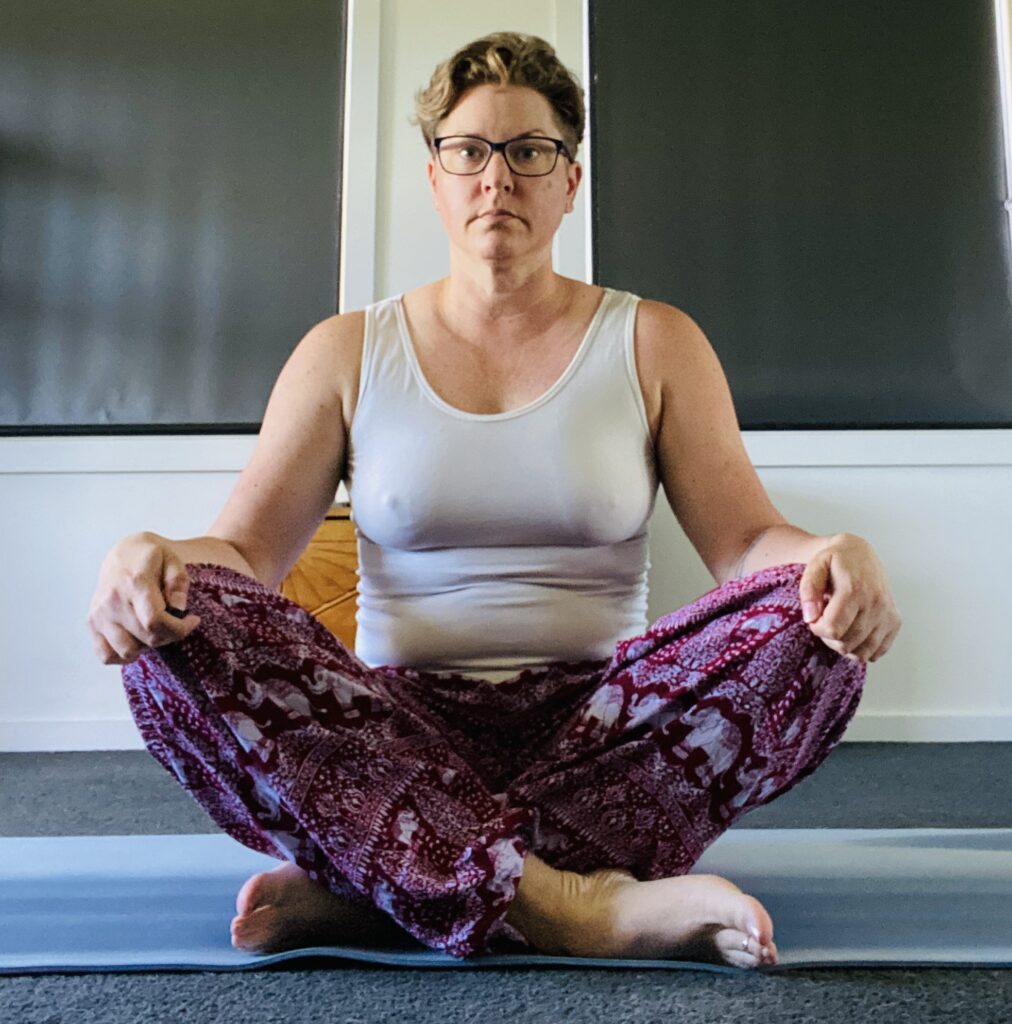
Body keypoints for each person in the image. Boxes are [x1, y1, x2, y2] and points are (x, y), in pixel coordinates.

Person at [86, 31, 901, 968]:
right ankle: (573, 905)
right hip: (392, 729)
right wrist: (151, 558)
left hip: (605, 728)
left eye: (529, 152)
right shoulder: (345, 351)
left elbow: (748, 542)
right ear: (435, 177)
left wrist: (833, 554)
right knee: (173, 626)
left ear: (570, 180)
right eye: (469, 151)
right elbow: (248, 553)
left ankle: (389, 877)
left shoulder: (656, 341)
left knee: (816, 625)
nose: (497, 178)